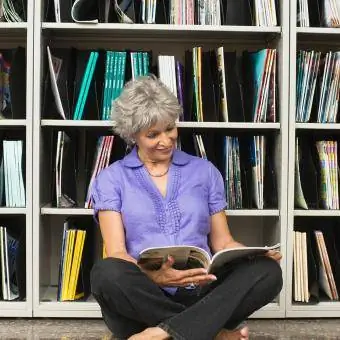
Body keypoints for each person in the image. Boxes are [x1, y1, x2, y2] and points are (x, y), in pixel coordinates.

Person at [90, 75, 283, 340]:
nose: (166, 141)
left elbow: (223, 242)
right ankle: (212, 333)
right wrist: (155, 277)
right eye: (153, 135)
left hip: (204, 291)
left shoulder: (204, 171)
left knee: (268, 272)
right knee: (105, 272)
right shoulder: (112, 178)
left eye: (170, 128)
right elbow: (117, 252)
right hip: (145, 298)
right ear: (133, 134)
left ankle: (163, 332)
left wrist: (253, 255)